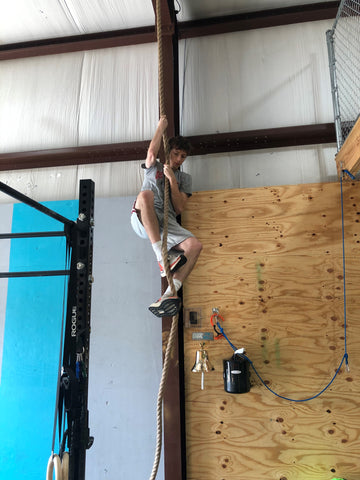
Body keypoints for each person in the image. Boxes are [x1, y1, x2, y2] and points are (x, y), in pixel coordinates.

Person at [131, 115, 202, 317]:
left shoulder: (184, 179)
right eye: (176, 153)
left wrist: (172, 180)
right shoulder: (154, 167)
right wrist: (161, 127)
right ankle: (160, 257)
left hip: (167, 223)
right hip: (144, 216)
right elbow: (152, 152)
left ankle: (170, 293)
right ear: (169, 150)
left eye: (183, 157)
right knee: (145, 195)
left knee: (195, 246)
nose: (178, 159)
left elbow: (179, 207)